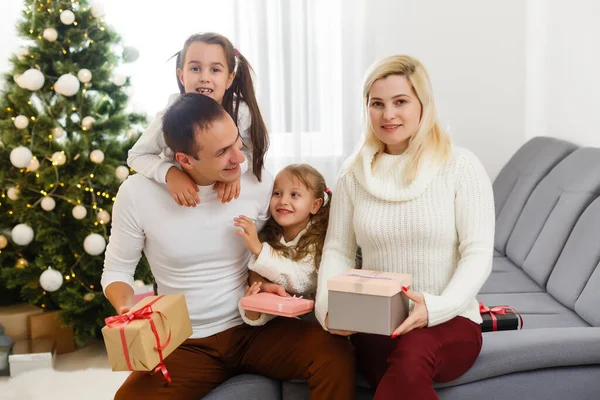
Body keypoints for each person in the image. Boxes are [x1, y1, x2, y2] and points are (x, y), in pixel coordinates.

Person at [102, 93, 355, 400]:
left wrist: (263, 283)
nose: (239, 157)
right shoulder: (137, 194)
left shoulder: (259, 185)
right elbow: (117, 270)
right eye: (223, 152)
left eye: (237, 142)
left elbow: (277, 242)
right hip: (185, 342)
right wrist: (127, 309)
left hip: (251, 330)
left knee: (332, 352)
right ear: (185, 160)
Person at [314, 55, 495, 399]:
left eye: (400, 102)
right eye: (377, 104)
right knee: (398, 369)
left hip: (450, 320)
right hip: (377, 324)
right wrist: (327, 310)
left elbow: (478, 253)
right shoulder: (353, 173)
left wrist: (437, 307)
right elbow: (338, 250)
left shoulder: (461, 166)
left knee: (412, 357)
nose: (388, 115)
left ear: (423, 104)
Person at [127, 32, 269, 206]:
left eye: (215, 70)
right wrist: (171, 173)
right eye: (195, 68)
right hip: (183, 201)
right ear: (181, 76)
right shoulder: (171, 115)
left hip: (219, 203)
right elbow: (137, 155)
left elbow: (250, 152)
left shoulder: (241, 112)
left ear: (229, 79)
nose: (204, 77)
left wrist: (235, 171)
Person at [235, 164, 332, 324]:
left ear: (315, 205)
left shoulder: (319, 240)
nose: (283, 201)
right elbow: (261, 291)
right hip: (277, 328)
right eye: (277, 193)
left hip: (312, 324)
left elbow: (301, 282)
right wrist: (253, 312)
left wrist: (259, 250)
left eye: (294, 194)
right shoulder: (268, 236)